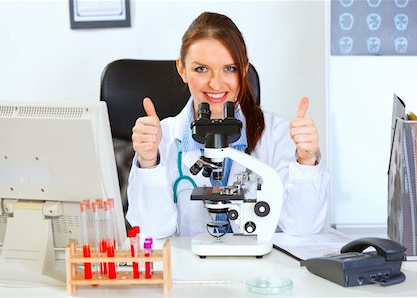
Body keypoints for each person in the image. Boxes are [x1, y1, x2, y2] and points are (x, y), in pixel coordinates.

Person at [127, 12, 329, 239]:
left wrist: (307, 161)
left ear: (243, 70)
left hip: (259, 271)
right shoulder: (161, 138)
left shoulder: (277, 134)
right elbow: (149, 232)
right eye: (201, 69)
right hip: (191, 271)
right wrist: (148, 162)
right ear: (182, 69)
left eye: (229, 68)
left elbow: (303, 227)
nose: (215, 83)